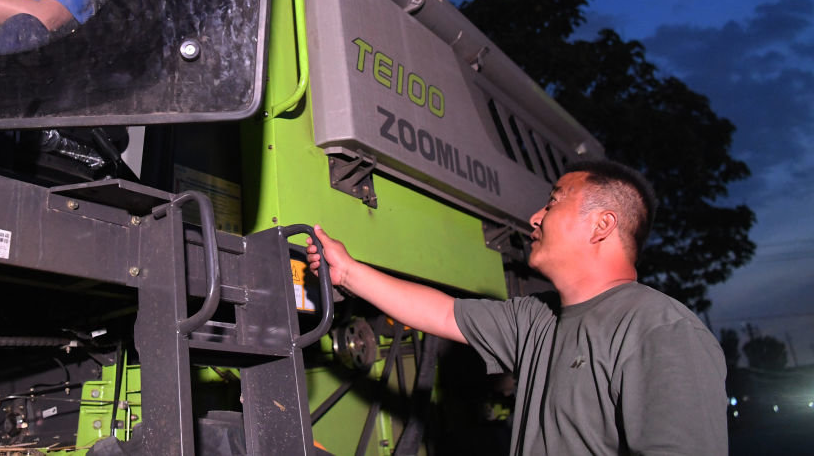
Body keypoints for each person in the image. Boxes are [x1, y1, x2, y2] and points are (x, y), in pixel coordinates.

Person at [307, 159, 728, 455]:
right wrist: (346, 273)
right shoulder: (536, 318)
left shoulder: (660, 330)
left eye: (554, 201)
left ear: (602, 225)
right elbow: (442, 313)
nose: (534, 216)